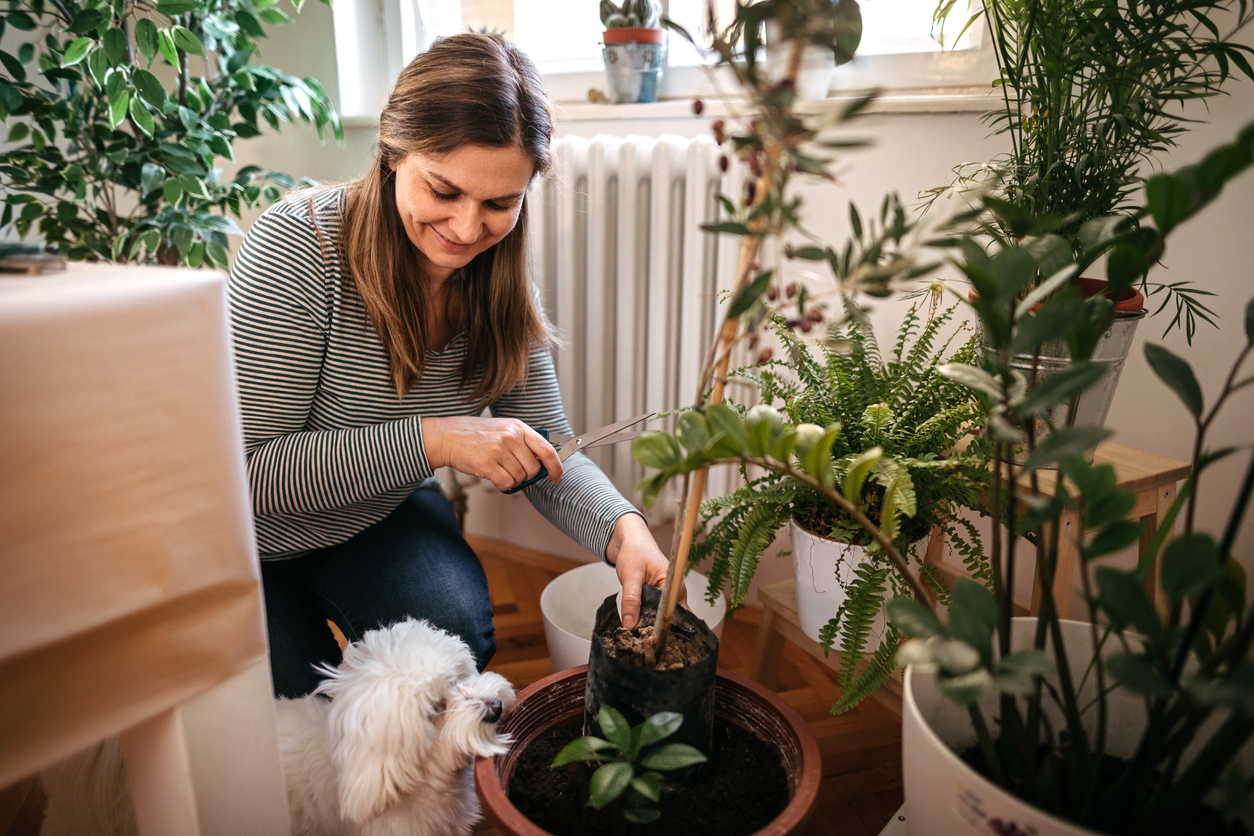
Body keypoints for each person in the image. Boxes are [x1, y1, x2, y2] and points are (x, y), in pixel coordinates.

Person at [228, 32, 674, 698]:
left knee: (452, 642)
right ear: (392, 155)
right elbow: (250, 478)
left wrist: (624, 529)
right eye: (444, 191)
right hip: (249, 545)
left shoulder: (497, 284)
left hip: (374, 514)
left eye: (500, 204)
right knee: (297, 722)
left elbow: (548, 446)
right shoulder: (297, 245)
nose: (467, 231)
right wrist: (438, 440)